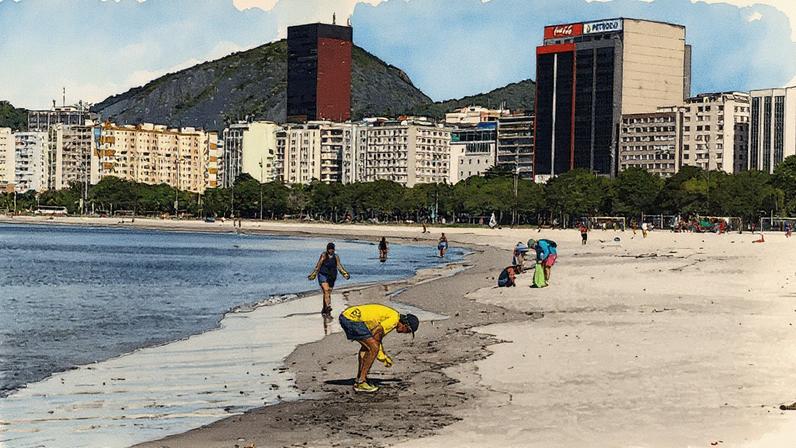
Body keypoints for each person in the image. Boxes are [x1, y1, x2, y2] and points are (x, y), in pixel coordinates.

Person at [338, 304, 419, 393]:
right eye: (407, 331)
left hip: (347, 316)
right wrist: (382, 357)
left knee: (366, 348)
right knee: (373, 348)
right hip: (353, 320)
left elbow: (375, 336)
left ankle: (360, 379)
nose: (405, 333)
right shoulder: (393, 320)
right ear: (405, 325)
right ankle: (361, 382)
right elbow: (377, 334)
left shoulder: (393, 315)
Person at [308, 243, 350, 316]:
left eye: (332, 249)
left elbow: (339, 266)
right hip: (323, 274)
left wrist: (344, 273)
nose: (331, 250)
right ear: (327, 249)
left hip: (332, 276)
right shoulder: (324, 255)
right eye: (329, 249)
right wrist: (314, 274)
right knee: (326, 290)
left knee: (328, 293)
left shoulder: (336, 257)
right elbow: (319, 265)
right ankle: (328, 306)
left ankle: (324, 308)